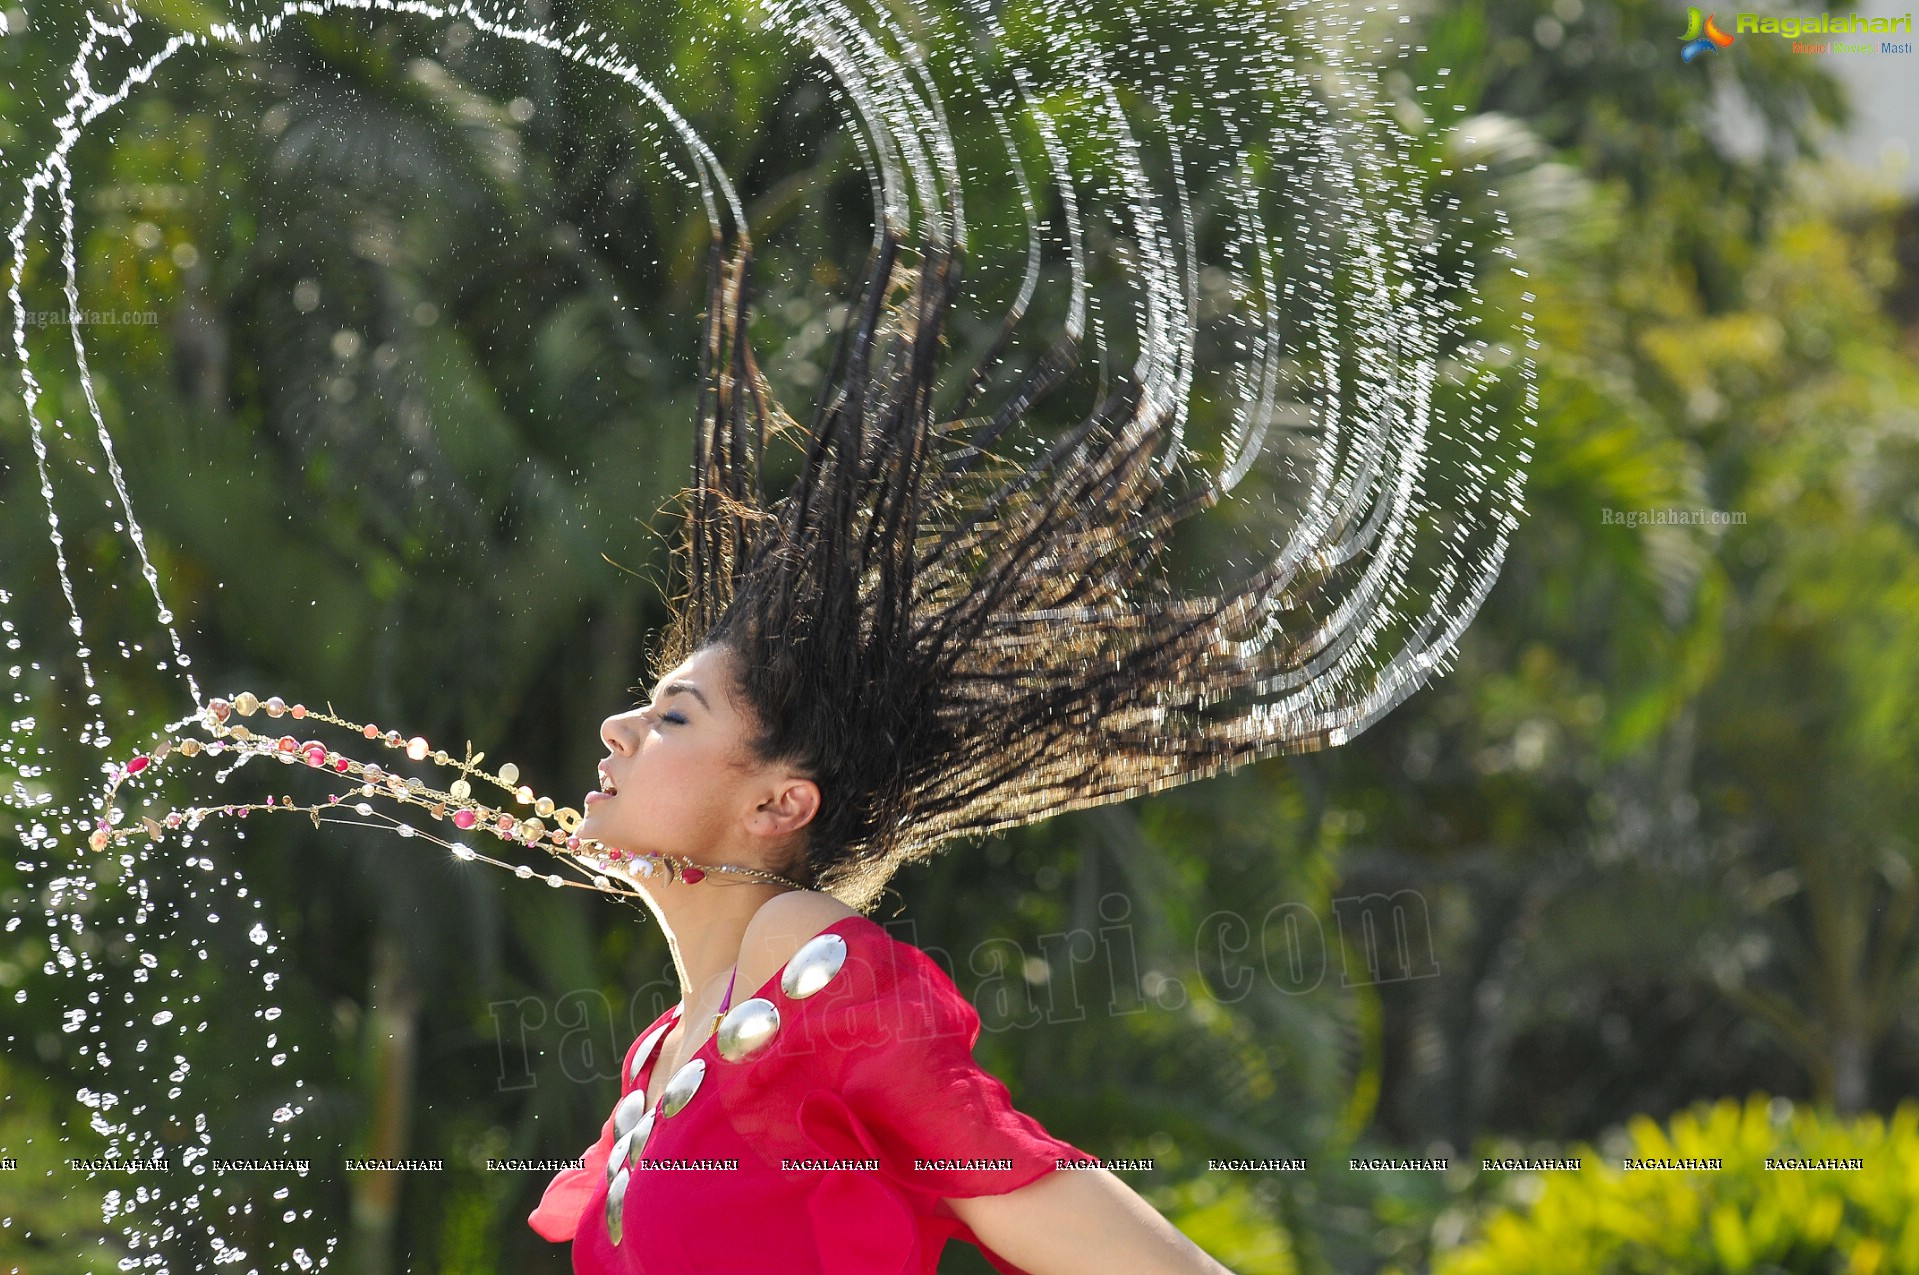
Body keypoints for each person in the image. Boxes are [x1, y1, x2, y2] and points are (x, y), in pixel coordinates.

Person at [527, 642, 1237, 1273]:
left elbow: (997, 1162)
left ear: (778, 806)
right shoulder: (657, 1053)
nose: (617, 727)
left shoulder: (800, 958)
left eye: (673, 717)